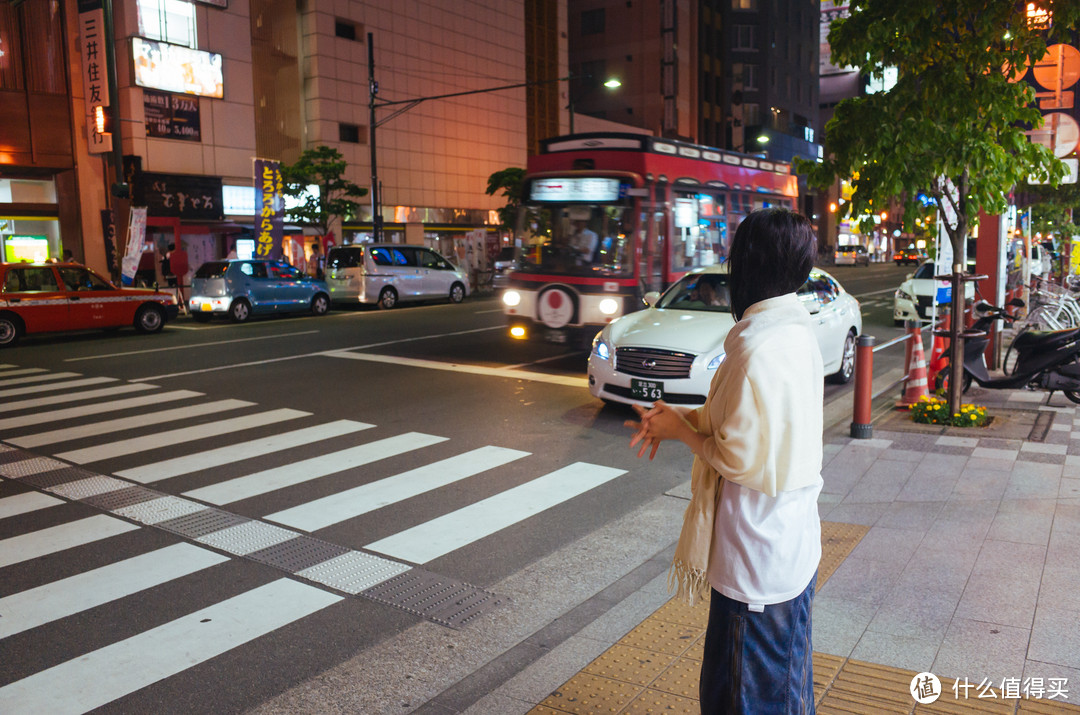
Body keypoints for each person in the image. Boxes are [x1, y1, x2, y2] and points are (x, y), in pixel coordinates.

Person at [625, 208, 822, 714]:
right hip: (790, 544)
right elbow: (752, 421)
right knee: (787, 688)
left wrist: (685, 435)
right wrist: (682, 419)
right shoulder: (796, 331)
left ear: (750, 264)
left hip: (755, 558)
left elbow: (741, 455)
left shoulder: (756, 347)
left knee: (743, 698)